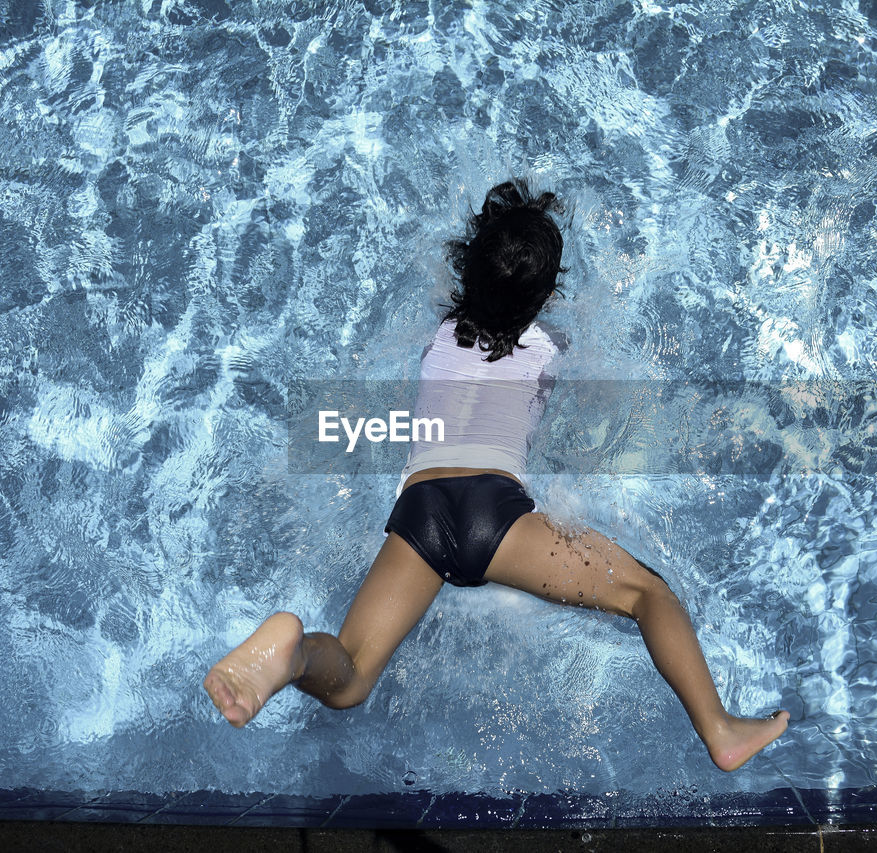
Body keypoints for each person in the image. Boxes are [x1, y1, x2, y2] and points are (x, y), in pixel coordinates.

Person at [203, 179, 788, 772]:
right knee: (647, 595)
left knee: (349, 677)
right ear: (544, 297)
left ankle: (295, 653)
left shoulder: (437, 338)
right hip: (493, 509)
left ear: (468, 269)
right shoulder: (553, 344)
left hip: (422, 506)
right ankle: (719, 729)